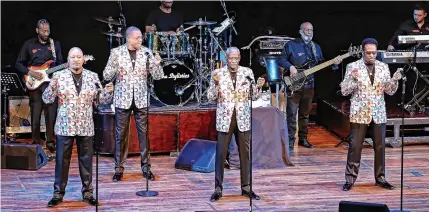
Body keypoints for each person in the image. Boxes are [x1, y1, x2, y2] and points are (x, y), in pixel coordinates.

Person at [43, 47, 114, 207]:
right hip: (65, 125)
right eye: (73, 57)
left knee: (86, 161)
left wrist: (108, 92)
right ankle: (58, 194)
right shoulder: (58, 76)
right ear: (68, 59)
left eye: (79, 57)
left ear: (83, 59)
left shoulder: (93, 77)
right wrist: (51, 86)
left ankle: (88, 193)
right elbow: (47, 99)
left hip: (85, 125)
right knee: (62, 161)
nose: (76, 59)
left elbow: (101, 100)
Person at [340, 38, 402, 191]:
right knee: (355, 147)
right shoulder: (352, 67)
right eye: (368, 53)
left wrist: (394, 80)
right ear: (362, 52)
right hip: (360, 112)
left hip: (378, 112)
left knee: (380, 147)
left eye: (374, 53)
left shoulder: (383, 67)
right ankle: (350, 179)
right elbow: (344, 90)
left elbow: (390, 91)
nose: (372, 56)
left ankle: (380, 178)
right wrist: (354, 80)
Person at [103, 26, 164, 182]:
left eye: (140, 37)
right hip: (122, 99)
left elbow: (158, 77)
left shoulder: (146, 52)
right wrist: (114, 66)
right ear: (128, 38)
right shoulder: (116, 53)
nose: (140, 40)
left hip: (141, 99)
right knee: (120, 136)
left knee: (144, 135)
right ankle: (118, 169)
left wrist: (157, 64)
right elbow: (106, 75)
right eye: (137, 37)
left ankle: (146, 168)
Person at [207, 47, 265, 202]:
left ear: (239, 58)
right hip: (225, 118)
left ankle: (246, 188)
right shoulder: (218, 74)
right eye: (230, 58)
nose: (233, 61)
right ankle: (218, 189)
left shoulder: (247, 72)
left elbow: (254, 96)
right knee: (221, 155)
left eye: (236, 58)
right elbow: (210, 97)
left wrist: (258, 86)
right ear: (226, 58)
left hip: (242, 118)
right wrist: (215, 84)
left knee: (245, 155)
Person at [278, 22, 342, 151]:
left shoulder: (316, 47)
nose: (309, 32)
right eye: (306, 29)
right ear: (300, 31)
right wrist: (290, 67)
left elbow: (321, 64)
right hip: (294, 85)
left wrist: (334, 63)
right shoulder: (291, 45)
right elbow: (281, 59)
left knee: (305, 114)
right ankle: (290, 141)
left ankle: (303, 139)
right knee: (291, 114)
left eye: (311, 30)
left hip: (309, 85)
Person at [15, 19, 63, 153]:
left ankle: (50, 142)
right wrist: (31, 72)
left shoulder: (55, 44)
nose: (46, 33)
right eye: (43, 30)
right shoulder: (29, 44)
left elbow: (60, 64)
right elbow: (18, 64)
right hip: (34, 86)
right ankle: (36, 142)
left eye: (48, 30)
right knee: (35, 116)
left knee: (51, 116)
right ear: (37, 30)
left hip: (50, 84)